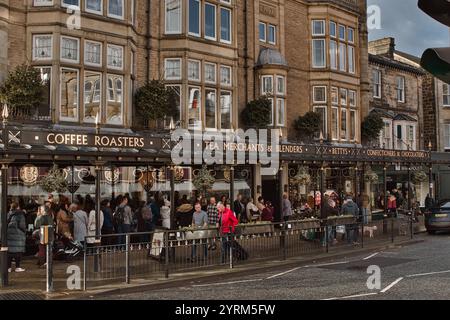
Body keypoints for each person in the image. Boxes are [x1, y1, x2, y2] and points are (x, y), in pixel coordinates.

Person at [7, 203, 27, 273]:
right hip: (18, 235)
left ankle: (8, 267)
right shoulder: (20, 215)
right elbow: (22, 226)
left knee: (9, 252)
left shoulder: (8, 214)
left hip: (9, 235)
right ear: (18, 207)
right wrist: (24, 231)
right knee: (18, 252)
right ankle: (17, 267)